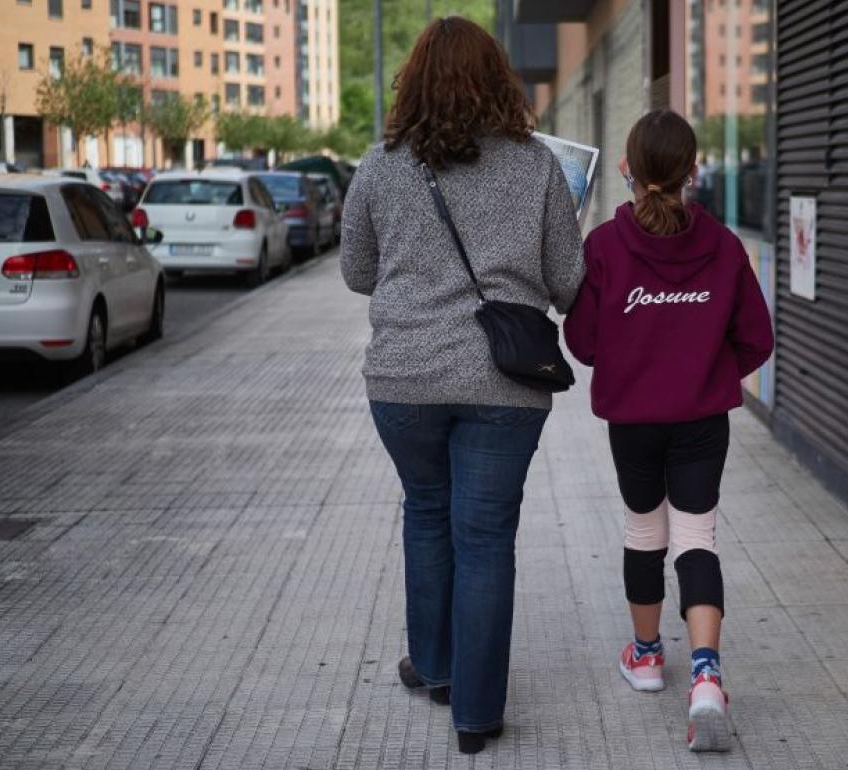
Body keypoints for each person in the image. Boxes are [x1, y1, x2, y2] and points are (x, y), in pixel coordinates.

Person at [338, 17, 584, 755]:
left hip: (405, 380)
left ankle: (437, 666)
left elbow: (356, 272)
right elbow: (569, 285)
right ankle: (475, 715)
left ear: (412, 81)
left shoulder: (382, 164)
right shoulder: (537, 164)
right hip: (504, 382)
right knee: (485, 539)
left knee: (426, 513)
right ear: (498, 78)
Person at [562, 109, 774, 752]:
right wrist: (706, 374)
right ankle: (707, 675)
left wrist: (638, 363)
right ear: (692, 171)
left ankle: (649, 657)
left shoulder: (602, 246)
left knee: (644, 530)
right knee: (695, 536)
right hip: (701, 419)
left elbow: (583, 341)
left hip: (634, 420)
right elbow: (757, 340)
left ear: (629, 169)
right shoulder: (726, 246)